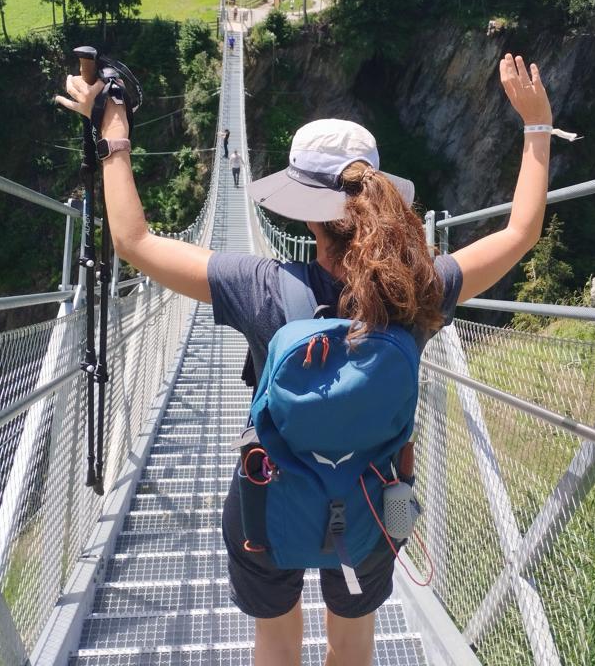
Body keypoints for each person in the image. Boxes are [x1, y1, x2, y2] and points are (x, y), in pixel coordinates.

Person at [55, 53, 552, 666]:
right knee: (352, 644)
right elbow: (520, 233)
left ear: (301, 210)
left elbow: (135, 242)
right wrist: (536, 125)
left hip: (268, 502)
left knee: (277, 642)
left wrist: (114, 134)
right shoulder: (419, 289)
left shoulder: (259, 285)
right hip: (375, 500)